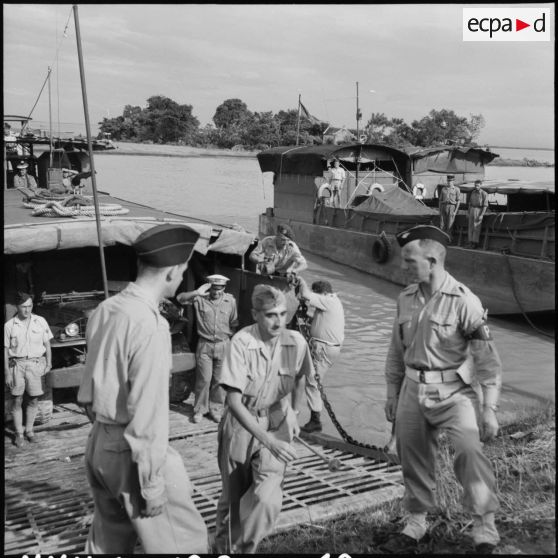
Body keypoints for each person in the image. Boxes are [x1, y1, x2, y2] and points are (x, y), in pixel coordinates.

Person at [77, 224, 208, 554]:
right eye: (184, 269)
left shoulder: (106, 309)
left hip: (99, 445)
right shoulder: (150, 325)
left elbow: (90, 391)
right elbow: (147, 413)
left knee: (109, 544)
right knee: (183, 542)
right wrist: (150, 485)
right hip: (133, 455)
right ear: (173, 272)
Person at [381, 224, 502, 554]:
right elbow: (396, 349)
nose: (403, 266)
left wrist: (489, 408)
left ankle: (484, 528)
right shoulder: (405, 297)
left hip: (454, 393)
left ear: (432, 260)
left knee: (469, 452)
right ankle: (417, 522)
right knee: (412, 457)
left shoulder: (465, 302)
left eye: (410, 260)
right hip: (411, 390)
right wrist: (392, 392)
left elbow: (487, 360)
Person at [214, 284, 315, 553]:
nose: (278, 321)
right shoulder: (241, 343)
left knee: (268, 500)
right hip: (241, 424)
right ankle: (221, 548)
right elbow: (233, 402)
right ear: (255, 314)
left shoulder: (296, 342)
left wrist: (294, 412)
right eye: (270, 315)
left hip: (277, 421)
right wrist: (269, 441)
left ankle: (243, 549)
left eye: (282, 314)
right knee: (233, 500)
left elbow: (301, 377)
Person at [176, 274, 238, 424]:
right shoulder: (199, 299)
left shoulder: (230, 301)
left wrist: (230, 343)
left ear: (224, 288)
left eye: (219, 288)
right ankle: (199, 410)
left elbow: (234, 323)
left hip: (224, 344)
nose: (216, 292)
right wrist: (197, 292)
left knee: (219, 380)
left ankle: (216, 409)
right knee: (204, 379)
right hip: (205, 345)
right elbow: (180, 299)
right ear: (209, 287)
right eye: (213, 288)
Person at [296, 277, 345, 433]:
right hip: (327, 348)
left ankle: (315, 420)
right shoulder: (333, 302)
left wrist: (300, 280)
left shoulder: (327, 300)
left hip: (324, 348)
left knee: (312, 381)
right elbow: (322, 320)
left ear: (322, 293)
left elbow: (305, 294)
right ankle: (299, 412)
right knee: (308, 377)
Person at [4, 292, 52, 448]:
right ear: (17, 307)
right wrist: (6, 373)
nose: (27, 310)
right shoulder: (9, 326)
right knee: (16, 400)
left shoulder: (40, 321)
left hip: (34, 364)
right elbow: (5, 351)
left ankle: (29, 431)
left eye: (30, 306)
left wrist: (49, 363)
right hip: (16, 365)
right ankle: (18, 433)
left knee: (33, 399)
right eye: (24, 307)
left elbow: (47, 344)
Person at [467, 179, 489, 249]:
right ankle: (470, 242)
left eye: (478, 185)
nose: (476, 187)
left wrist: (481, 215)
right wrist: (468, 212)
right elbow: (470, 204)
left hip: (479, 210)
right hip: (472, 210)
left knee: (476, 227)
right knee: (470, 227)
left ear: (480, 185)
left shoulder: (484, 194)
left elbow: (485, 206)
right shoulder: (473, 192)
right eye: (475, 185)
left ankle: (475, 244)